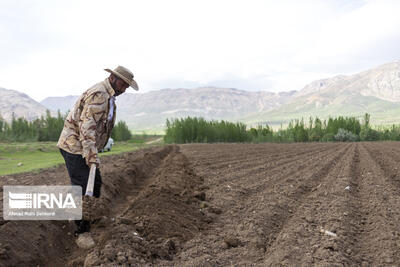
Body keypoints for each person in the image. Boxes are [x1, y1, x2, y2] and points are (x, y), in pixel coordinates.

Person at [58, 66, 138, 233]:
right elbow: (87, 128)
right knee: (82, 186)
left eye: (126, 87)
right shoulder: (100, 95)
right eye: (123, 85)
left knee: (95, 183)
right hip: (74, 146)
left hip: (83, 146)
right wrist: (91, 155)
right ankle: (81, 231)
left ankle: (89, 217)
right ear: (113, 78)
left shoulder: (109, 96)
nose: (124, 90)